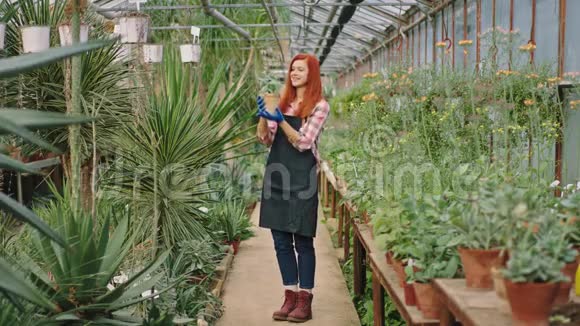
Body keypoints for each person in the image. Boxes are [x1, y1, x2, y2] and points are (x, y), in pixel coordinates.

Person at [256, 53, 330, 323]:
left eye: (300, 69)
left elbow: (303, 143)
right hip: (277, 176)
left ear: (312, 73)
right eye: (292, 69)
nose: (294, 73)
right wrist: (264, 116)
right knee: (280, 242)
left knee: (302, 239)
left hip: (302, 177)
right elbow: (265, 140)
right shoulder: (282, 103)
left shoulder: (319, 106)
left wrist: (281, 119)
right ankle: (289, 295)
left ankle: (305, 299)